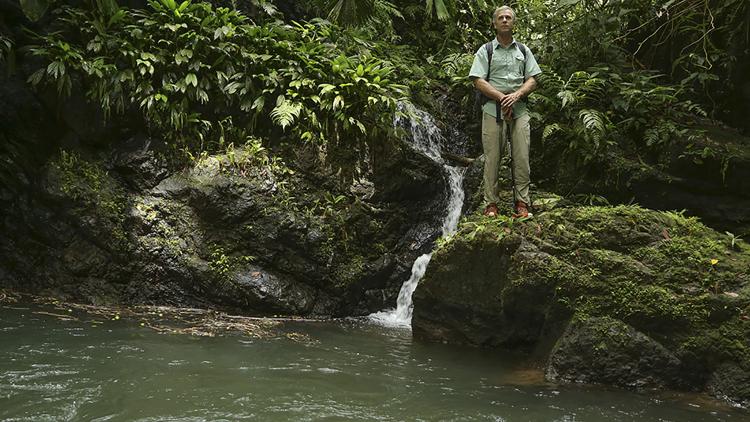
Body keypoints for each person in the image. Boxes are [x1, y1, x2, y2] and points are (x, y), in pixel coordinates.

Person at [469, 5, 542, 218]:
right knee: (492, 158)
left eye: (508, 17)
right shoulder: (486, 50)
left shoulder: (523, 50)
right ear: (494, 23)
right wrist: (502, 97)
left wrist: (516, 96)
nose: (504, 20)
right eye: (500, 17)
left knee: (522, 157)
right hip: (493, 110)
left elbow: (534, 78)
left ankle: (522, 203)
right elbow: (477, 79)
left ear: (514, 23)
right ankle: (491, 204)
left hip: (519, 110)